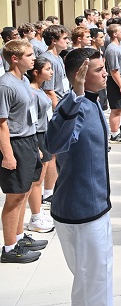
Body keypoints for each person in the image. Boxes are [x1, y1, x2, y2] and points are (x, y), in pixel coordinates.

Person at [46, 48, 113, 303]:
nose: (105, 73)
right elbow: (53, 143)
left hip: (96, 206)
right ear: (80, 76)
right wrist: (75, 96)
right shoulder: (75, 105)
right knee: (91, 281)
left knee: (99, 276)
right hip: (81, 211)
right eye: (99, 70)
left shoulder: (91, 102)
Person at [0, 39, 46, 264]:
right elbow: (2, 124)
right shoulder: (6, 85)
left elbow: (28, 115)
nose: (34, 58)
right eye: (29, 55)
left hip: (29, 140)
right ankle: (9, 248)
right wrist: (8, 155)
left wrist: (35, 145)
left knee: (25, 192)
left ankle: (18, 238)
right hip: (15, 144)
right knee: (15, 196)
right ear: (15, 59)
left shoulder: (24, 80)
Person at [26, 56, 55, 234]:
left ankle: (38, 212)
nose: (51, 72)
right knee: (37, 180)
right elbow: (32, 120)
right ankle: (35, 217)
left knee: (41, 177)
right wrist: (36, 144)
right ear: (36, 72)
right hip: (38, 135)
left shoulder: (40, 89)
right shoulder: (31, 92)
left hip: (45, 133)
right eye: (47, 69)